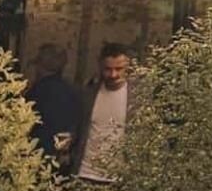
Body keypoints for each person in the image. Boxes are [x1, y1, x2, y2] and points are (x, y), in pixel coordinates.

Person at [73, 42, 133, 180]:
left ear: (128, 67)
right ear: (100, 66)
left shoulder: (137, 98)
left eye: (119, 69)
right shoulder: (88, 95)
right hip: (86, 174)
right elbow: (78, 130)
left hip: (119, 179)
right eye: (108, 69)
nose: (113, 75)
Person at [25, 43, 82, 163]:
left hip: (35, 153)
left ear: (40, 66)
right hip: (59, 155)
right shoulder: (71, 91)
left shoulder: (38, 91)